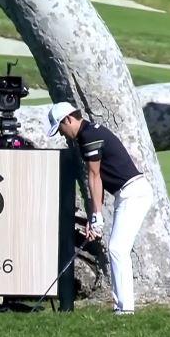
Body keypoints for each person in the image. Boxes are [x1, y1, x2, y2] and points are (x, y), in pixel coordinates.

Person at [47, 102, 154, 315]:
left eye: (61, 128)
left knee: (117, 248)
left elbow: (94, 176)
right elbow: (98, 181)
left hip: (134, 193)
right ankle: (122, 307)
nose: (62, 133)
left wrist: (96, 215)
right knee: (117, 248)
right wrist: (94, 217)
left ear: (68, 119)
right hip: (127, 193)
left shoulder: (89, 136)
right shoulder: (88, 133)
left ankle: (125, 309)